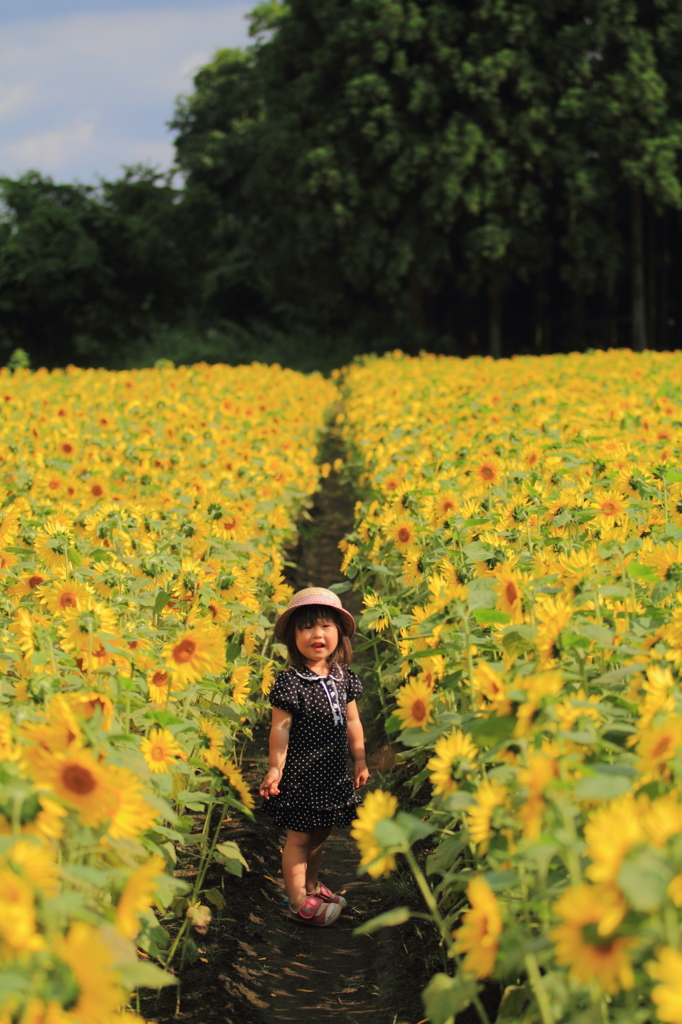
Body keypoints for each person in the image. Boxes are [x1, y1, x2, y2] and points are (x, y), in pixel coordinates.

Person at [259, 587, 370, 926]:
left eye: (325, 626)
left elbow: (352, 720)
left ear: (339, 633)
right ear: (294, 638)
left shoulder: (342, 677)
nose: (317, 634)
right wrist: (275, 768)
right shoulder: (291, 682)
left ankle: (310, 885)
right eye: (306, 627)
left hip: (333, 772)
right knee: (300, 837)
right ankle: (297, 901)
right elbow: (280, 729)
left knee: (321, 833)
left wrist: (360, 760)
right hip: (302, 774)